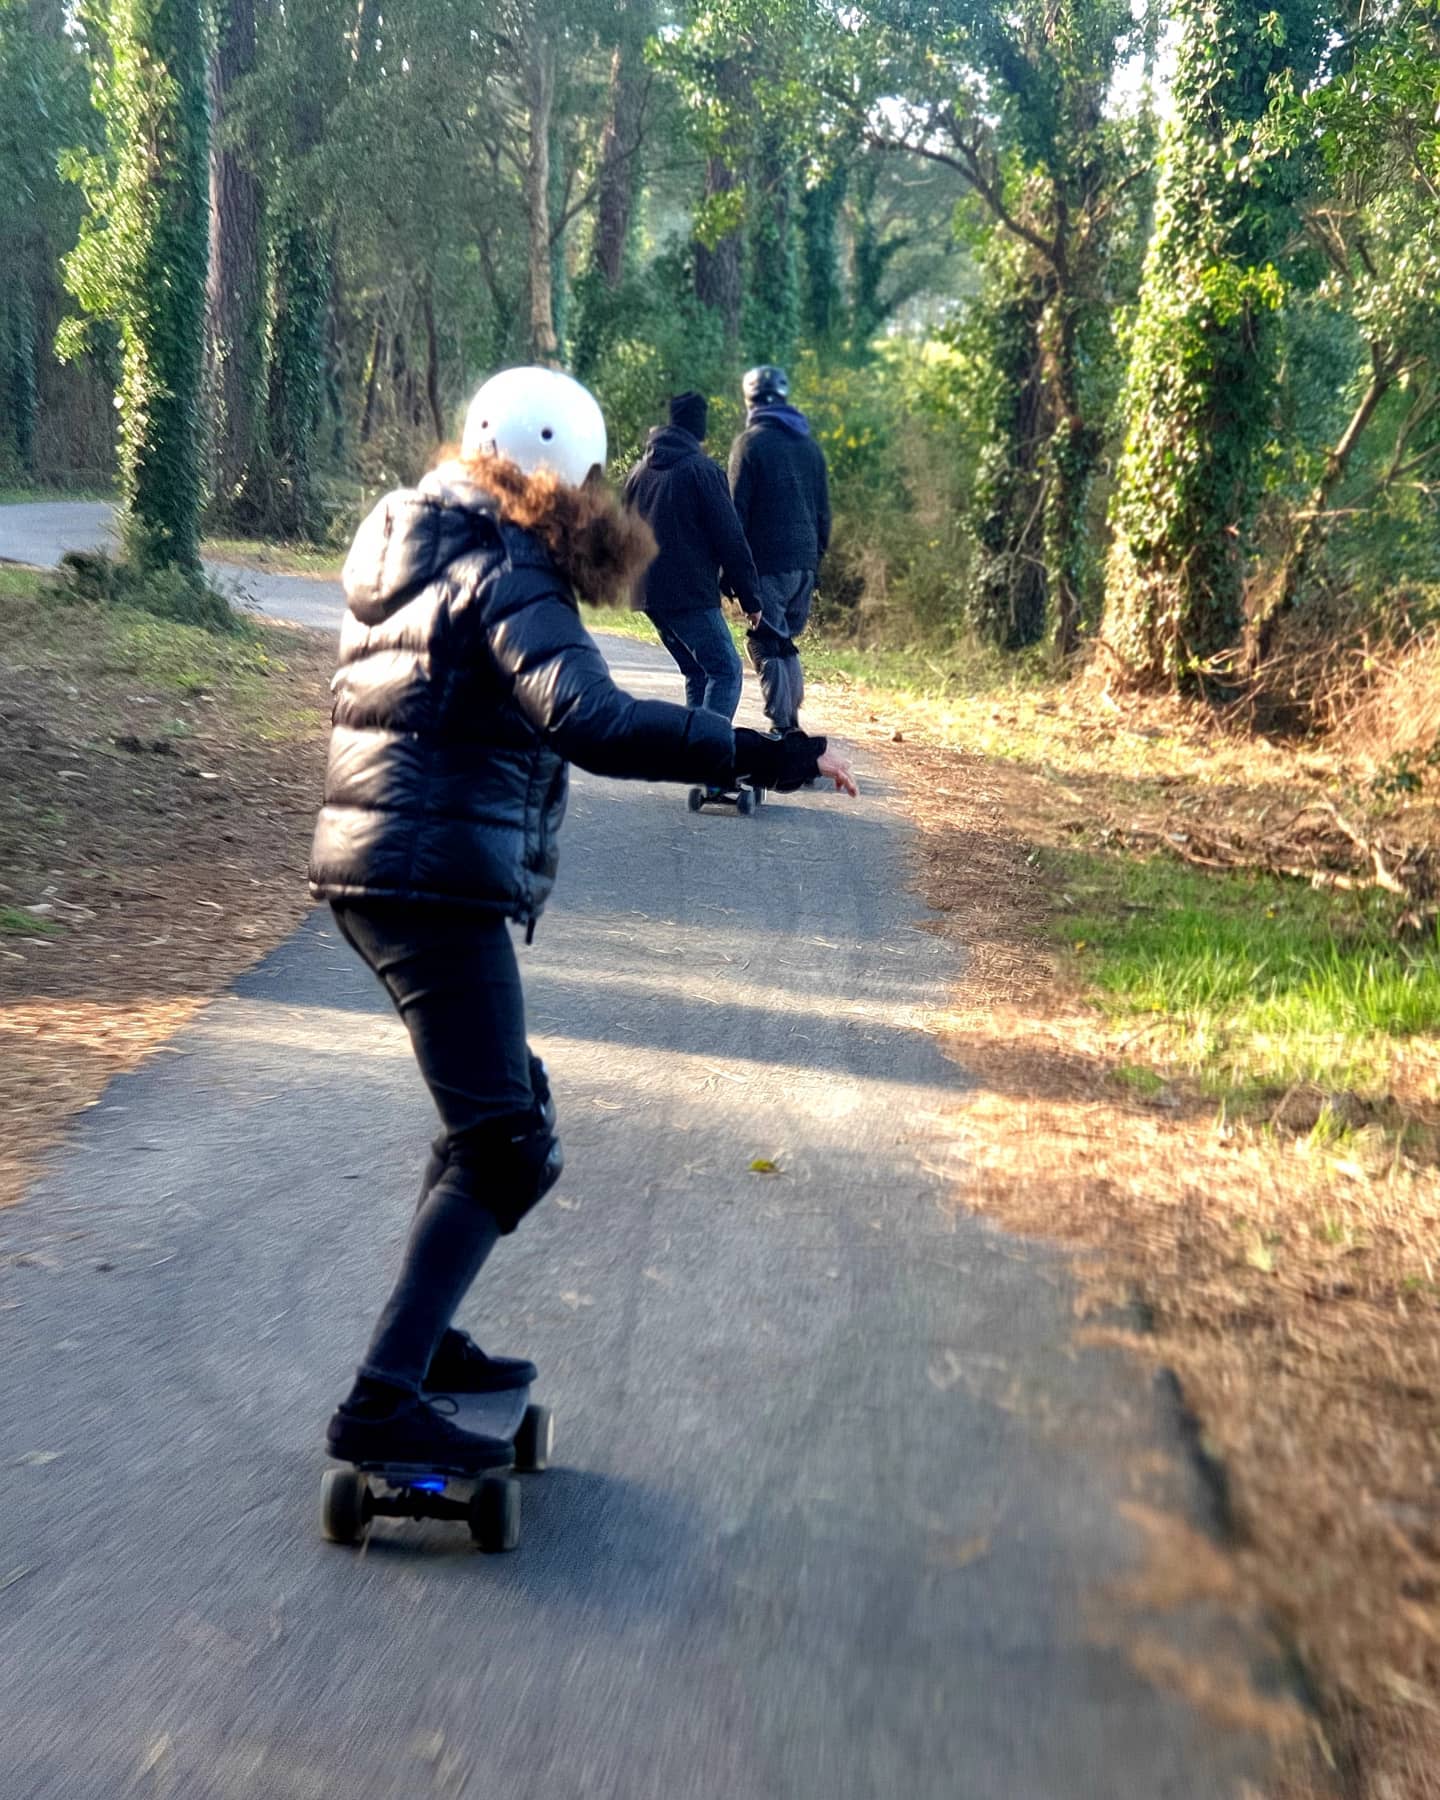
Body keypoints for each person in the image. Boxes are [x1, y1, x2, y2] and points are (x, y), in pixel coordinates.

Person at [309, 366, 858, 1473]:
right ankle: (381, 1399)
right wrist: (760, 754)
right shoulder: (506, 561)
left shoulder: (421, 544)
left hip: (382, 868)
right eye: (594, 475)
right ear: (559, 467)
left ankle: (426, 1345)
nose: (603, 493)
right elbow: (588, 718)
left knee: (495, 1119)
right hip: (431, 878)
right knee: (508, 1147)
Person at [623, 391, 758, 723]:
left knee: (698, 673)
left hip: (646, 594)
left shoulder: (638, 473)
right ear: (700, 429)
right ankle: (708, 762)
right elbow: (731, 538)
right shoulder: (702, 471)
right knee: (726, 671)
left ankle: (692, 760)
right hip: (688, 593)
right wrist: (750, 598)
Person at [728, 364, 832, 738]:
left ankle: (784, 728)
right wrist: (814, 563)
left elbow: (734, 514)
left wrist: (730, 573)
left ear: (750, 401)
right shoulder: (809, 447)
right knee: (783, 638)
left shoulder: (749, 444)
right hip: (804, 563)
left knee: (764, 640)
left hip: (767, 563)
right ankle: (791, 722)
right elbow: (824, 513)